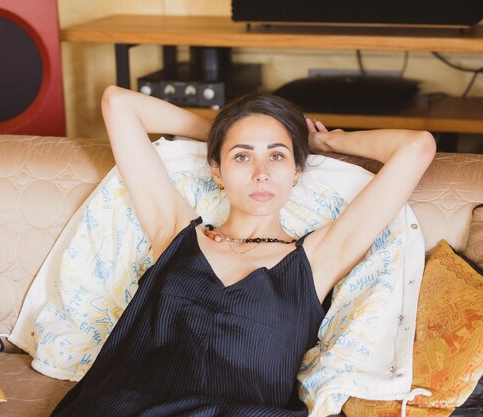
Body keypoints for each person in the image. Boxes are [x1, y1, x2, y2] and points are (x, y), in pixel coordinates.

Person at [50, 86, 436, 417]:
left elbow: (417, 147)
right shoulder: (175, 232)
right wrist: (223, 132)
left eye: (278, 155)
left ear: (298, 171)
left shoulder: (317, 260)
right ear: (216, 170)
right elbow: (118, 103)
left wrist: (324, 141)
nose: (261, 172)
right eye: (241, 156)